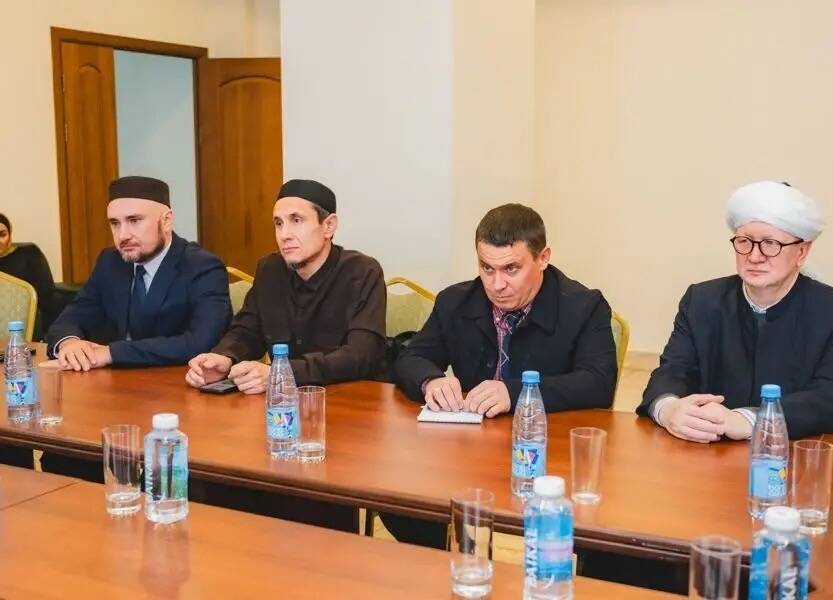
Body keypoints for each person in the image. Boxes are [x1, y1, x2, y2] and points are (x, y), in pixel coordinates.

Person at [387, 203, 618, 547]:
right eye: (486, 268)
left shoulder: (584, 306)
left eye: (511, 269)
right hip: (470, 454)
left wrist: (513, 392)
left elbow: (598, 382)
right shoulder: (456, 301)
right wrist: (431, 380)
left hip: (546, 459)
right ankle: (452, 562)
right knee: (402, 500)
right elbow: (411, 358)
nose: (497, 284)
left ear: (543, 258)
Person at [638, 180, 833, 441]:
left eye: (770, 243)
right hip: (709, 452)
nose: (755, 256)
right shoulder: (702, 300)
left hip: (796, 455)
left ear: (802, 252)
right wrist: (669, 409)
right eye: (745, 241)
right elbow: (672, 372)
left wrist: (750, 420)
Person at [185, 179, 386, 392]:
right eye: (278, 223)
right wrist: (224, 357)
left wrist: (282, 373)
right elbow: (247, 330)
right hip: (281, 402)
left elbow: (362, 354)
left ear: (328, 226)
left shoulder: (361, 272)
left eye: (296, 220)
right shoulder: (270, 269)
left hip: (350, 397)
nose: (284, 235)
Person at [45, 176, 231, 370]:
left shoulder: (202, 266)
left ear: (166, 221)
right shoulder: (111, 261)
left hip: (177, 381)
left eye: (134, 221)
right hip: (114, 382)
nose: (123, 235)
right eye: (115, 223)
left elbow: (201, 342)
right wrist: (69, 343)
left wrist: (111, 353)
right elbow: (71, 317)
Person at [0, 213, 62, 336]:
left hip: (31, 316)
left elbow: (45, 289)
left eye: (2, 235)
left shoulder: (29, 253)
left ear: (10, 235)